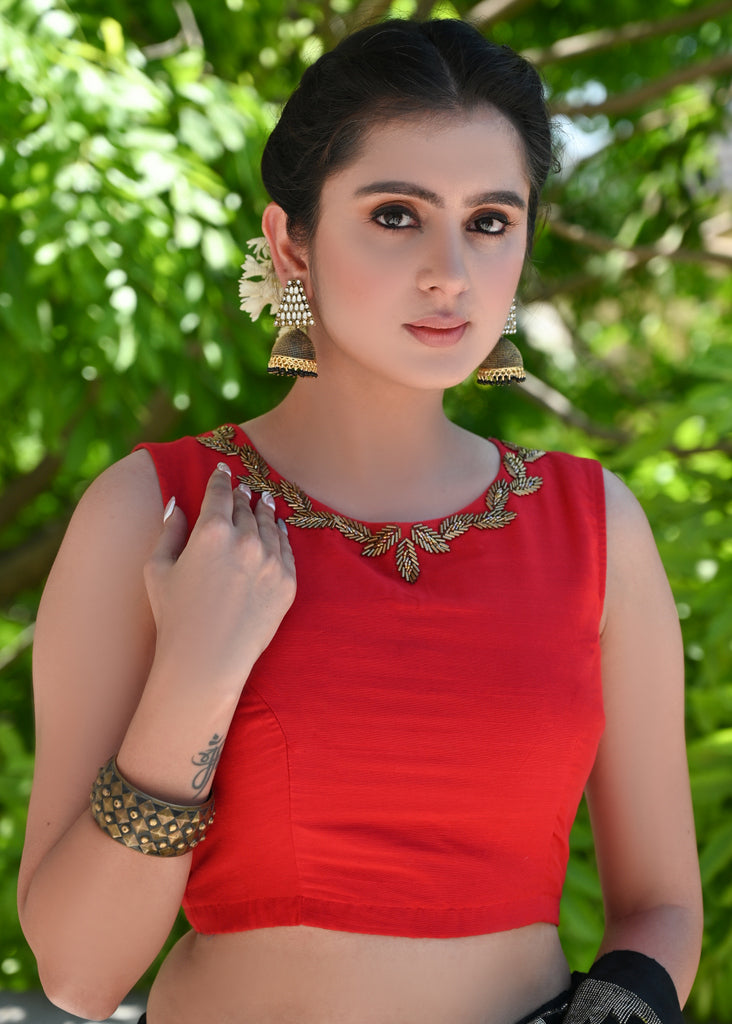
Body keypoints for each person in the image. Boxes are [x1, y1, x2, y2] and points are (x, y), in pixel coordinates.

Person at [18, 18, 702, 1024]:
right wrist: (198, 674)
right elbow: (79, 976)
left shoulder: (596, 528)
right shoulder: (155, 510)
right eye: (396, 216)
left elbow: (662, 907)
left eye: (489, 221)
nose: (449, 273)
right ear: (290, 239)